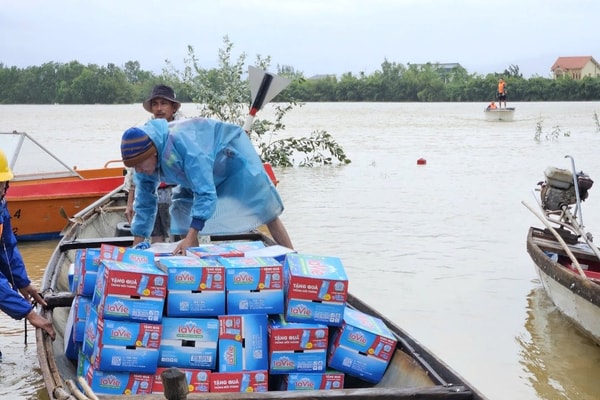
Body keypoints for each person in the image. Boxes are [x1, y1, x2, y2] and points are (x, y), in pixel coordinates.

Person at [120, 118, 294, 254]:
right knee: (180, 211)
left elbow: (205, 193)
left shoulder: (187, 146)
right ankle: (194, 266)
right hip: (190, 176)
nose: (138, 170)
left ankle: (292, 257)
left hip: (228, 161)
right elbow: (144, 203)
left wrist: (191, 236)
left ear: (154, 153)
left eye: (140, 164)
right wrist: (137, 247)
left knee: (265, 209)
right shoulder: (143, 168)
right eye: (134, 166)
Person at [0, 149, 56, 341]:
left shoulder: (0, 205)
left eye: (0, 184)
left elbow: (6, 248)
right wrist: (29, 313)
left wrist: (21, 281)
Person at [124, 84, 182, 242]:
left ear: (173, 107)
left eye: (164, 103)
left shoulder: (182, 131)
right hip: (152, 192)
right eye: (155, 104)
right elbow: (135, 173)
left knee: (179, 237)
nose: (159, 108)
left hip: (178, 192)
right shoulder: (144, 132)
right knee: (156, 239)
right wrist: (130, 203)